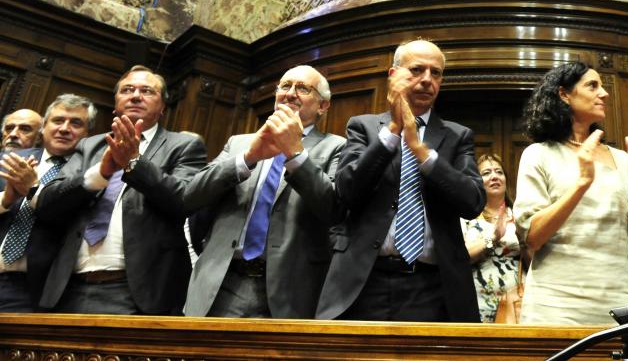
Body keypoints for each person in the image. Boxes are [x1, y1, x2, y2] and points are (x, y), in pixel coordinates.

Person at [316, 39, 485, 322]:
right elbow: (346, 191)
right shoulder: (364, 126)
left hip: (434, 286)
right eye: (417, 70)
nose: (427, 80)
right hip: (364, 280)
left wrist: (423, 154)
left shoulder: (458, 136)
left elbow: (473, 202)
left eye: (436, 73)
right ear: (393, 75)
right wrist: (393, 130)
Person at [35, 65, 205, 315]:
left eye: (147, 91)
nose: (136, 96)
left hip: (138, 290)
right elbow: (48, 203)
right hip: (69, 286)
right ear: (115, 104)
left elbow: (185, 200)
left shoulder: (184, 145)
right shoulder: (90, 146)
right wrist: (99, 175)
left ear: (162, 108)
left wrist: (134, 163)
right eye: (128, 90)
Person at [183, 65, 345, 318]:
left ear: (323, 106)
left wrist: (295, 153)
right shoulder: (239, 143)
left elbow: (333, 207)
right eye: (285, 86)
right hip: (221, 282)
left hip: (288, 291)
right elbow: (191, 195)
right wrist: (247, 159)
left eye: (303, 88)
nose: (291, 93)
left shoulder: (336, 147)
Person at [514, 62, 628, 325]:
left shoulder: (623, 159)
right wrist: (581, 183)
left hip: (620, 299)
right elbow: (532, 237)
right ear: (564, 94)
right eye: (593, 85)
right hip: (555, 304)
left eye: (603, 86)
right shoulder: (539, 154)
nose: (604, 93)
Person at [0, 94, 95, 311]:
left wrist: (33, 190)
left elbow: (66, 217)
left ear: (87, 133)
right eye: (58, 120)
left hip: (36, 288)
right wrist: (6, 200)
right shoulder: (9, 159)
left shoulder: (86, 173)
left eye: (76, 123)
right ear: (43, 127)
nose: (64, 128)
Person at [463, 153, 522, 323]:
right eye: (486, 173)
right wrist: (493, 238)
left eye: (499, 171)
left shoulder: (519, 215)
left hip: (516, 303)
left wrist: (524, 238)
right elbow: (460, 257)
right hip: (477, 302)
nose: (494, 176)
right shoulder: (467, 217)